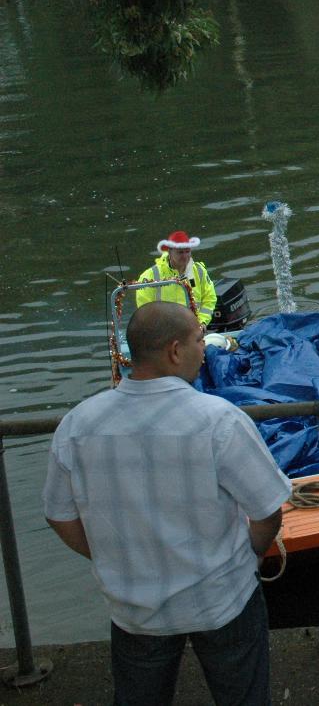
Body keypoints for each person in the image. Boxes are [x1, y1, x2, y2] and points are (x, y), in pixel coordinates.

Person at [43, 301, 291, 705]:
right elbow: (267, 510)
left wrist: (110, 554)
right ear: (175, 351)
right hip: (222, 597)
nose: (204, 349)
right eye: (198, 340)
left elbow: (59, 516)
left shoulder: (78, 424)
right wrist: (250, 553)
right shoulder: (218, 420)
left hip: (134, 608)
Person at [136, 230, 218, 327]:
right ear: (169, 252)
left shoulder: (200, 271)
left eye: (187, 251)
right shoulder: (149, 275)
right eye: (180, 252)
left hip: (193, 328)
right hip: (163, 331)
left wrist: (202, 322)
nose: (185, 256)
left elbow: (209, 298)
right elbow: (145, 309)